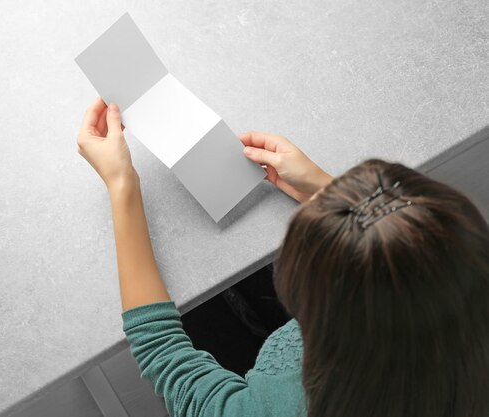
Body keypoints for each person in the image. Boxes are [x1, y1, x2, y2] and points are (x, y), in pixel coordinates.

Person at [76, 97, 489, 417]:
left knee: (209, 311)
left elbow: (164, 352)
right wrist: (333, 196)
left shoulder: (281, 406)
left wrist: (121, 184)